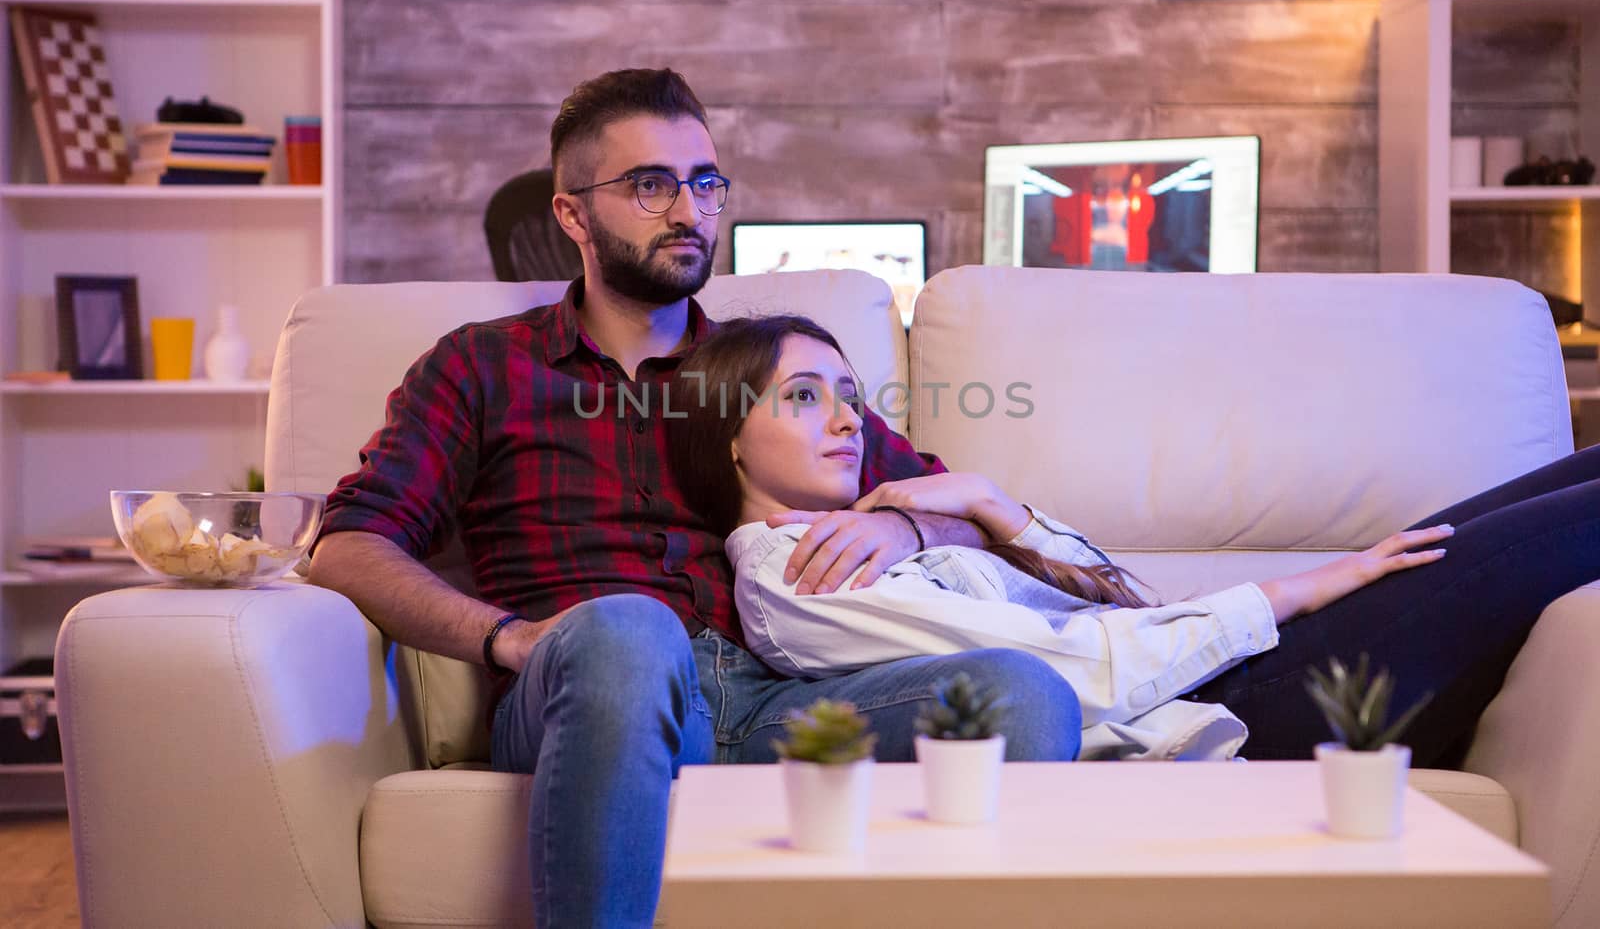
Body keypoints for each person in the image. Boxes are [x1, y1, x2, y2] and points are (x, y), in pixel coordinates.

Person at [306, 68, 1082, 929]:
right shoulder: (481, 367)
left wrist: (905, 524)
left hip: (777, 696)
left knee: (1026, 693)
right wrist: (508, 638)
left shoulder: (766, 369)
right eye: (651, 185)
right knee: (631, 628)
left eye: (706, 182)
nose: (689, 210)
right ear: (572, 214)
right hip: (590, 684)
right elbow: (346, 543)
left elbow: (960, 508)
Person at [664, 313, 1600, 766]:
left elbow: (1120, 597)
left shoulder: (876, 524)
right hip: (1242, 704)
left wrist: (994, 502)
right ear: (728, 433)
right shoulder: (799, 576)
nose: (846, 419)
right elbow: (1081, 675)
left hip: (1224, 654)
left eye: (850, 393)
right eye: (802, 395)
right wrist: (1305, 587)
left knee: (1569, 478)